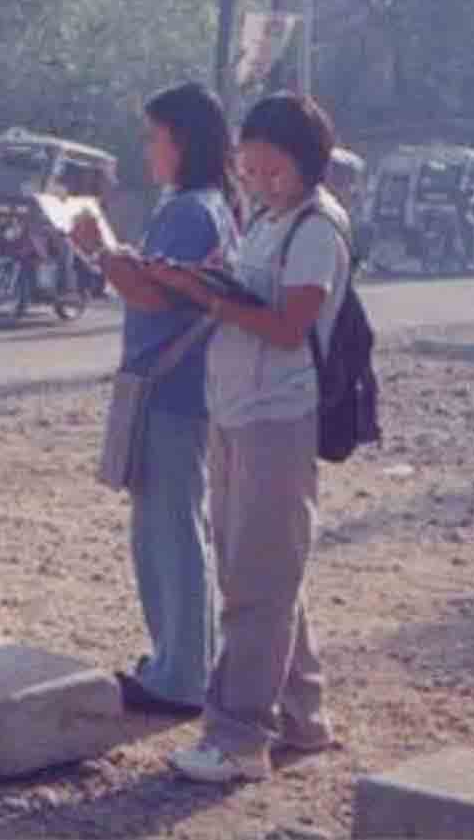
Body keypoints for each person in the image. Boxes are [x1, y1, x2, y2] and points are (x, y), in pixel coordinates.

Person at [144, 91, 349, 784]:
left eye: (273, 173)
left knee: (256, 583)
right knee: (265, 570)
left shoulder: (316, 228)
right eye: (252, 172)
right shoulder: (268, 219)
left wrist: (209, 297)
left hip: (276, 419)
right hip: (235, 411)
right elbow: (248, 296)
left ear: (306, 164)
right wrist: (204, 282)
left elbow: (290, 325)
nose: (260, 185)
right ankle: (303, 713)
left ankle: (237, 738)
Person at [70, 81, 240, 719]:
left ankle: (180, 673)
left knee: (169, 530)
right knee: (172, 526)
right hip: (182, 388)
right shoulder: (210, 206)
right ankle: (179, 660)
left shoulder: (190, 210)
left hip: (170, 390)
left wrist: (95, 249)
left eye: (154, 135)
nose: (148, 148)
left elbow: (150, 295)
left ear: (182, 140)